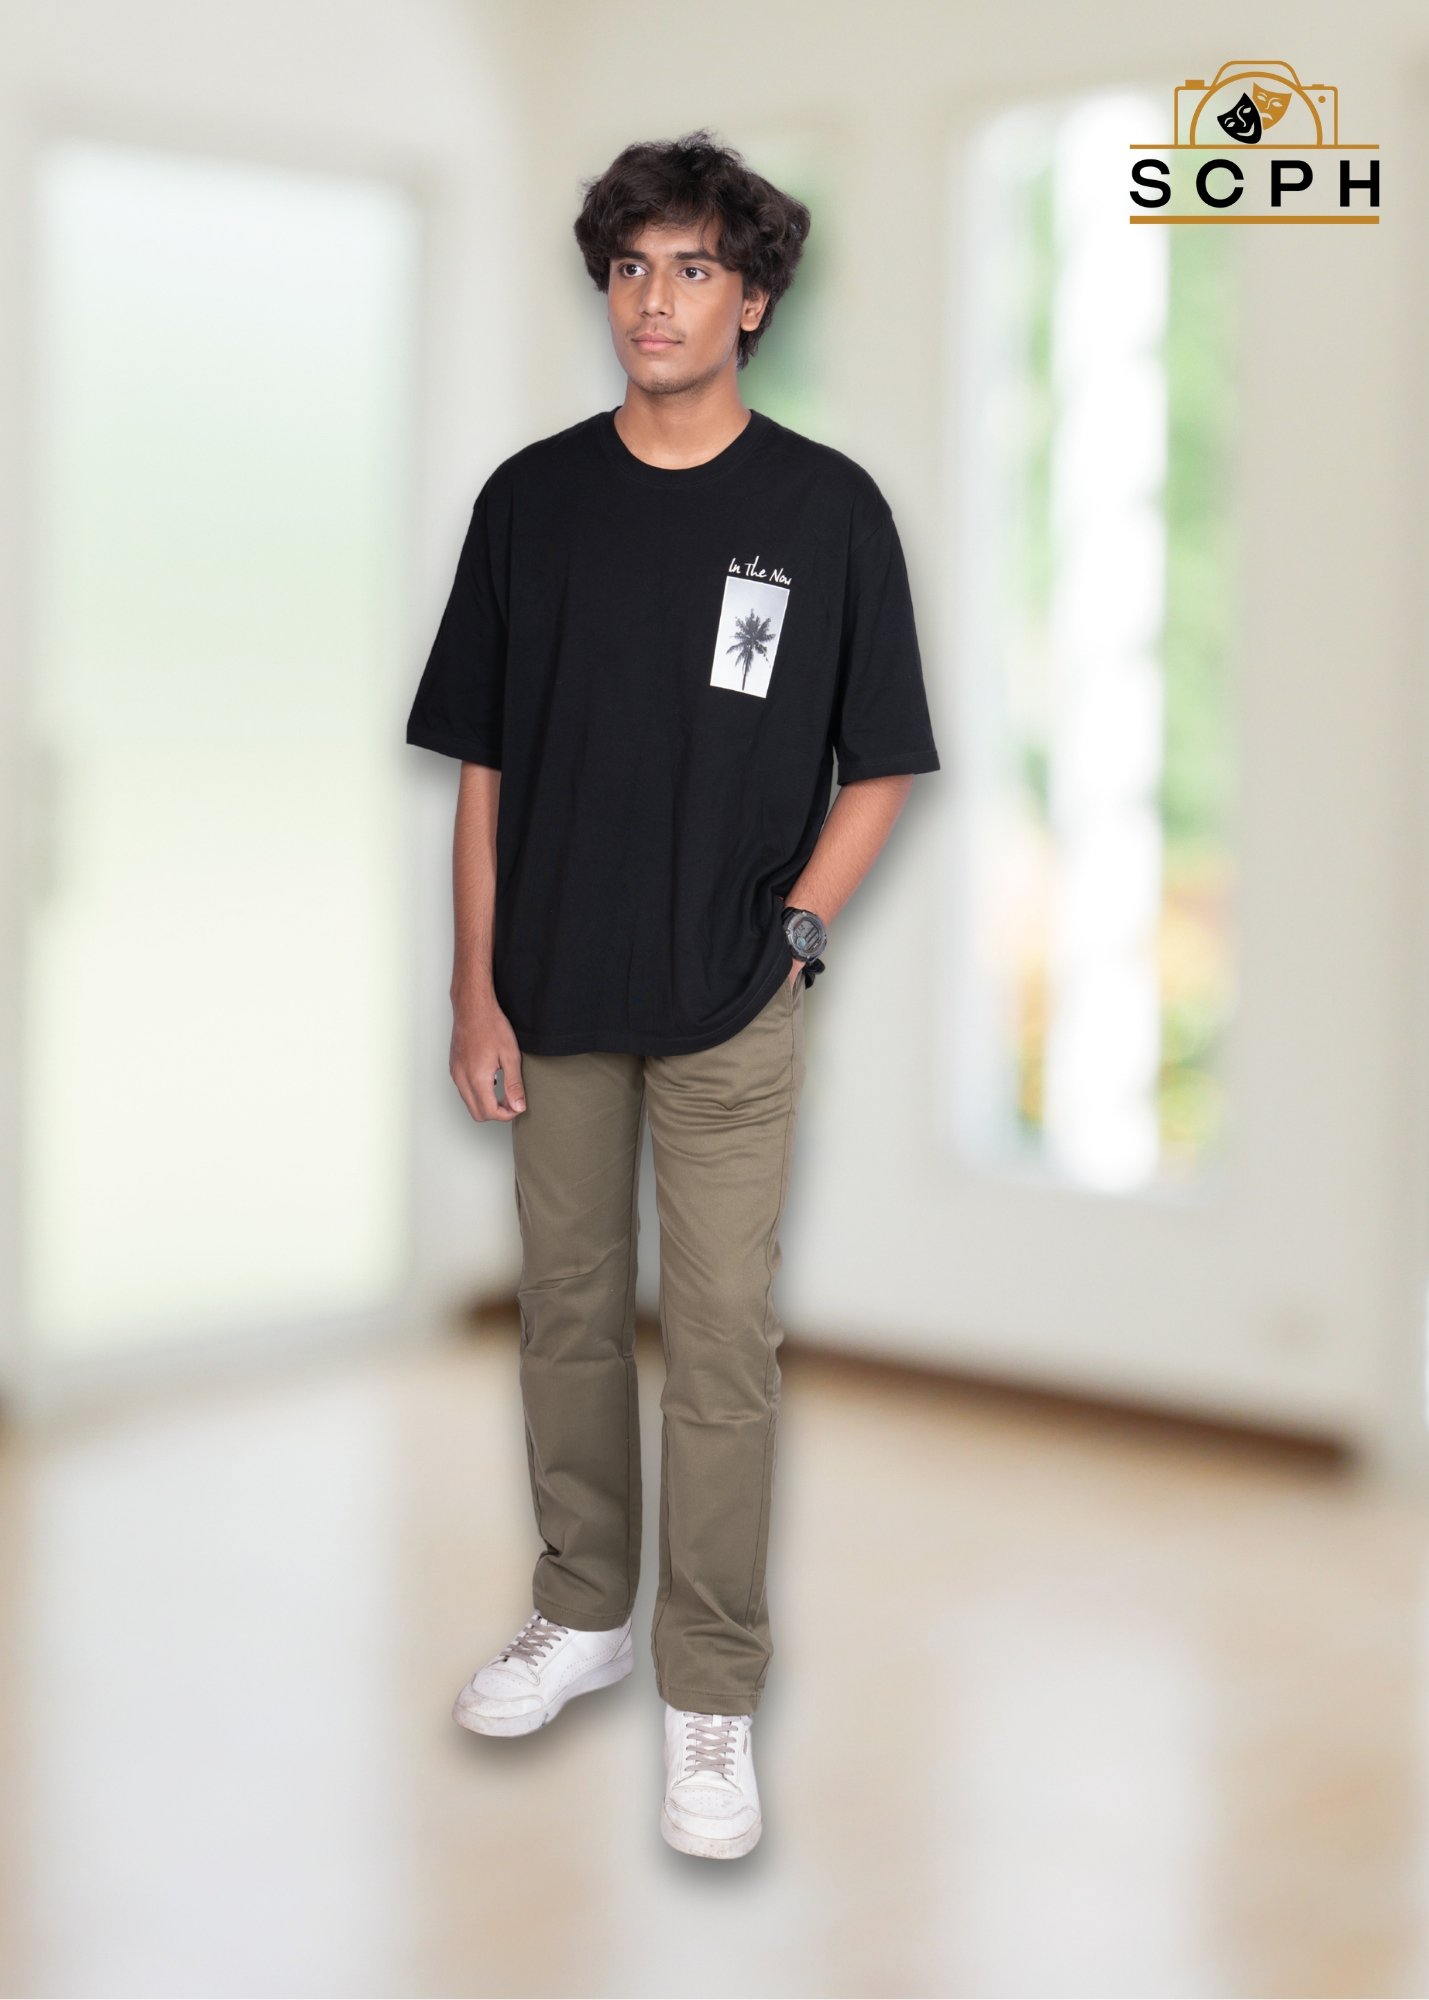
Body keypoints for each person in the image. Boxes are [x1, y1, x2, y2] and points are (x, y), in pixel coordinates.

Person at [405, 128, 940, 1862]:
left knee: (718, 1345)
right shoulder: (530, 500)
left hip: (730, 997)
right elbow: (482, 769)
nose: (655, 299)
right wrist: (473, 988)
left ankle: (709, 1694)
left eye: (693, 269)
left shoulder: (827, 512)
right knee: (564, 1317)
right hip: (550, 987)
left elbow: (881, 765)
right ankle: (581, 1613)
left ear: (752, 300)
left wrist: (794, 932)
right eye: (631, 268)